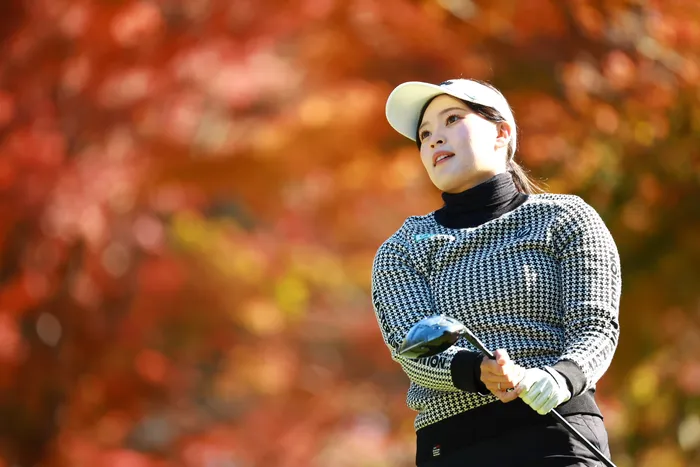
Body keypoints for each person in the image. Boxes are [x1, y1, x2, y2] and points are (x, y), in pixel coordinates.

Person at [371, 78, 622, 467]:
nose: (435, 139)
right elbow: (413, 348)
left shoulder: (566, 218)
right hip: (454, 447)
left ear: (501, 133)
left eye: (452, 119)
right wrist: (478, 371)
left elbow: (596, 327)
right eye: (424, 135)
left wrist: (560, 377)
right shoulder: (403, 249)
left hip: (558, 436)